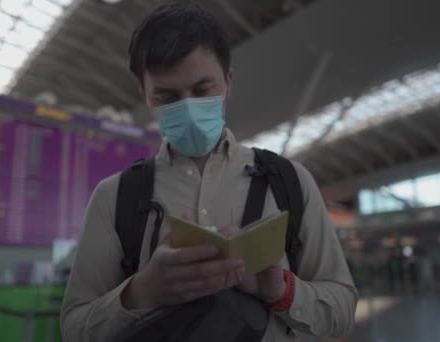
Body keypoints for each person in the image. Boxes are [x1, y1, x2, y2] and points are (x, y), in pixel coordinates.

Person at [60, 3, 357, 341]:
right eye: (167, 96)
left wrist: (281, 291)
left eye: (203, 91)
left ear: (229, 82)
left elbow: (343, 307)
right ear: (144, 94)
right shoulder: (115, 198)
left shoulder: (289, 182)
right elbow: (74, 329)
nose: (187, 107)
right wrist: (143, 293)